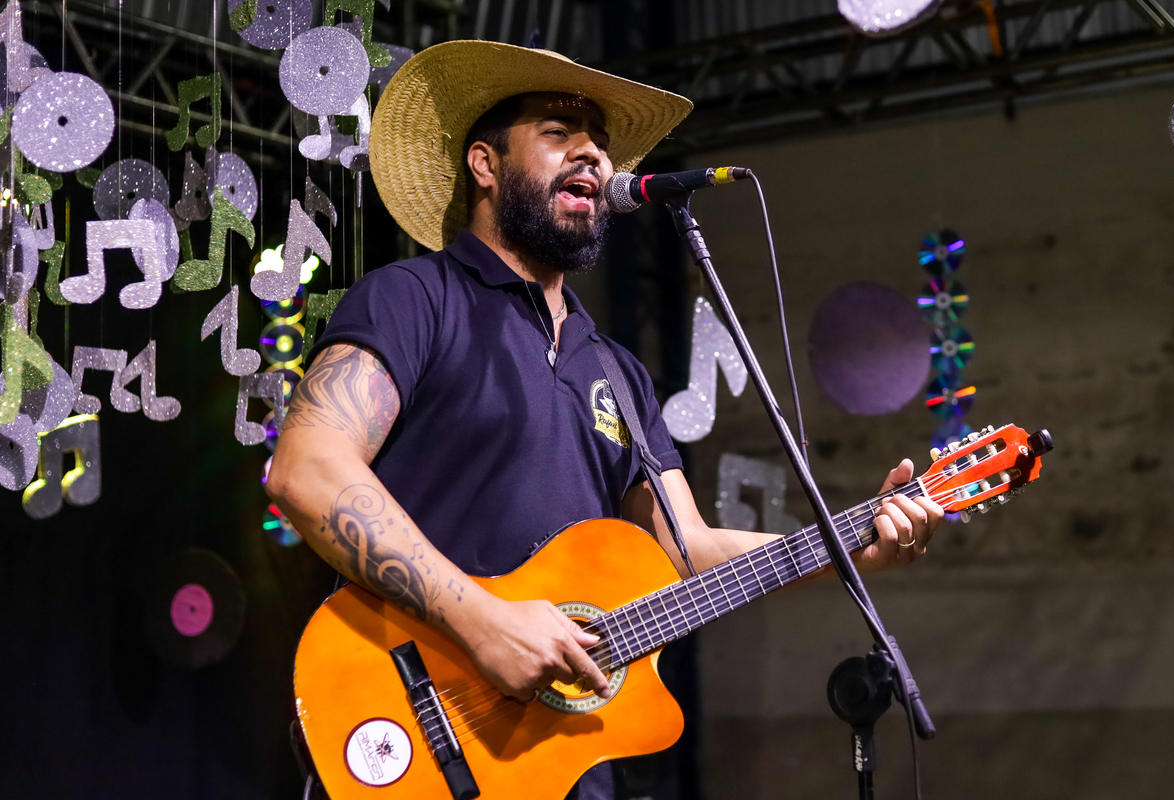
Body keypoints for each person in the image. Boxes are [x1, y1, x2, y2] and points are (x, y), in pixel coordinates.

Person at [266, 40, 942, 800]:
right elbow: (307, 469)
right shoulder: (415, 299)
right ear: (485, 164)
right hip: (413, 729)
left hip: (564, 770)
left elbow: (688, 553)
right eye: (558, 131)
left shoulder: (617, 371)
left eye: (599, 139)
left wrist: (851, 545)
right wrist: (483, 621)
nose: (591, 150)